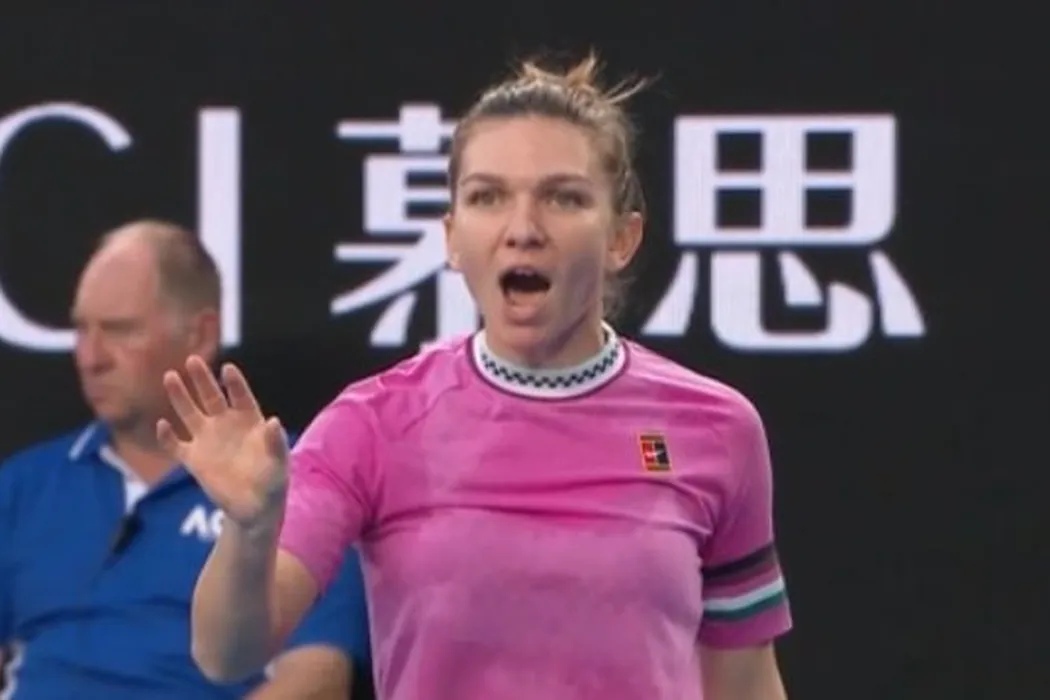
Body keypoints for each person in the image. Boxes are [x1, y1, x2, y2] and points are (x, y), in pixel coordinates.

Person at [159, 53, 792, 700]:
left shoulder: (718, 428)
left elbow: (745, 684)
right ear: (453, 237)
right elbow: (226, 654)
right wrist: (250, 531)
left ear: (621, 239)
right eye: (488, 197)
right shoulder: (369, 425)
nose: (523, 230)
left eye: (564, 197)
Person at [0, 220, 371, 699]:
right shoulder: (23, 487)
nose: (90, 358)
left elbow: (316, 680)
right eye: (81, 329)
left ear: (200, 335)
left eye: (119, 330)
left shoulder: (289, 478)